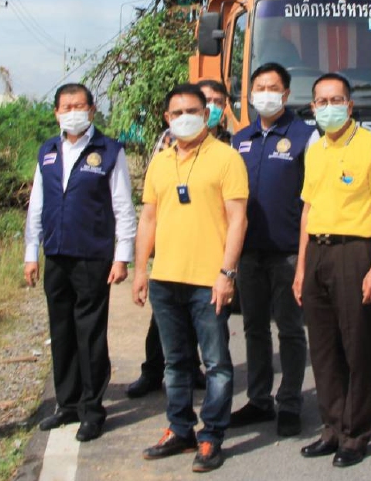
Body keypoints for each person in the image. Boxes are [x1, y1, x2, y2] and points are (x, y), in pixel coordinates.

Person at [133, 83, 249, 473]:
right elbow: (148, 218)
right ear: (167, 118)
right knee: (175, 362)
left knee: (216, 363)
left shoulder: (226, 158)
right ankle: (179, 428)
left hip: (209, 281)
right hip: (166, 278)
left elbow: (237, 220)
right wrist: (140, 271)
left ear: (207, 114)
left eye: (193, 110)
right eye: (177, 112)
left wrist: (226, 273)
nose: (185, 118)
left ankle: (211, 436)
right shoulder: (161, 161)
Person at [24, 83, 136, 442]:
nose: (71, 111)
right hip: (56, 254)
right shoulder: (48, 151)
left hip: (92, 257)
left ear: (91, 109)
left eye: (79, 105)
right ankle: (66, 404)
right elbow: (36, 207)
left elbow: (123, 208)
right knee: (61, 331)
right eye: (65, 106)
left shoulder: (109, 151)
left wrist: (123, 257)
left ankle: (92, 409)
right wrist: (31, 254)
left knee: (89, 333)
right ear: (56, 112)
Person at [294, 73, 371, 468]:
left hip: (354, 252)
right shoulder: (314, 148)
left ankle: (355, 433)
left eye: (336, 100)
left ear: (350, 106)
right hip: (317, 252)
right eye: (321, 101)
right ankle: (331, 427)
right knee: (322, 349)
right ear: (314, 107)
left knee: (356, 347)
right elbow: (307, 209)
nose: (329, 107)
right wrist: (301, 267)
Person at [125, 80, 229, 398]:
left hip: (210, 258)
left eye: (214, 102)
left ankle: (208, 416)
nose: (205, 109)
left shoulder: (230, 148)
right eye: (180, 111)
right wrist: (141, 266)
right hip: (171, 262)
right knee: (165, 329)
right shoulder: (167, 147)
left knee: (210, 340)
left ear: (221, 109)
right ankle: (154, 373)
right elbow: (153, 209)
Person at [228, 62, 316, 438]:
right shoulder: (240, 139)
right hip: (249, 253)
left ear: (285, 93)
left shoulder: (304, 136)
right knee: (254, 329)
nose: (265, 93)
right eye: (259, 86)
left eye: (272, 87)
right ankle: (259, 399)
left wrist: (303, 259)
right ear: (249, 93)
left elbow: (312, 201)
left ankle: (290, 402)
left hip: (287, 252)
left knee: (291, 330)